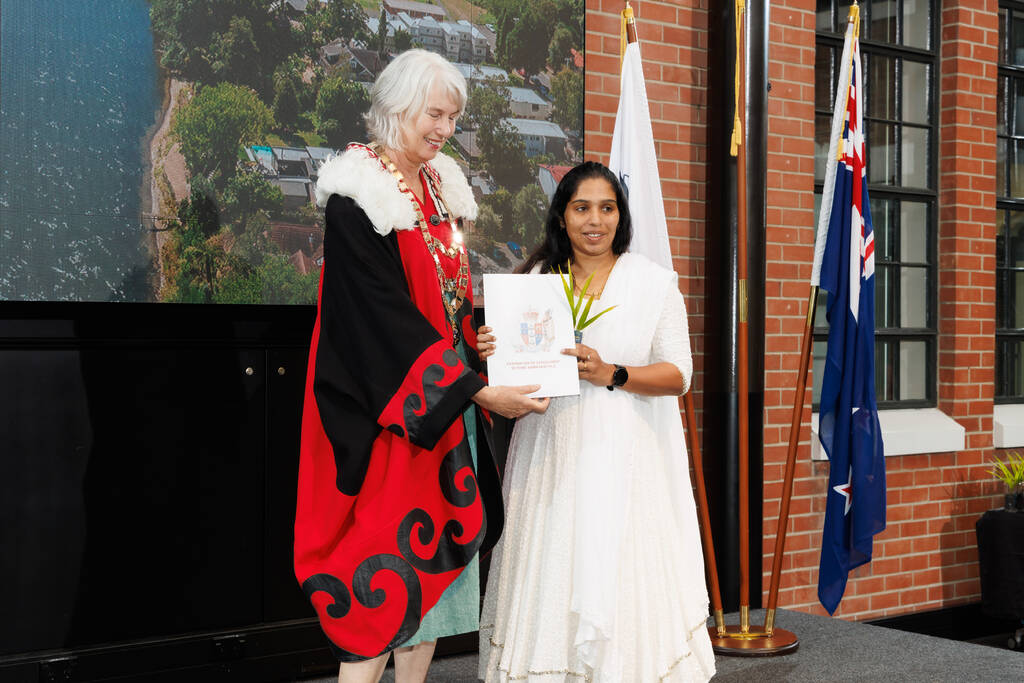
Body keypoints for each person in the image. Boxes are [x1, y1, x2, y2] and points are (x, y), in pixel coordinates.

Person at [293, 49, 549, 683]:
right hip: (388, 414)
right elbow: (378, 319)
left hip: (444, 405)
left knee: (434, 594)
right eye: (435, 114)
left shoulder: (440, 186)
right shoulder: (359, 195)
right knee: (379, 576)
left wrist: (482, 337)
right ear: (397, 106)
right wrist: (476, 392)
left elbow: (448, 293)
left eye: (453, 119)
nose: (444, 129)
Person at [477, 162, 716, 682]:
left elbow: (679, 375)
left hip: (628, 460)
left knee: (622, 578)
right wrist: (492, 352)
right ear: (562, 217)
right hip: (551, 454)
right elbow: (513, 372)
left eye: (607, 208)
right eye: (581, 207)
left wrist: (614, 372)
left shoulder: (654, 283)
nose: (594, 220)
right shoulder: (537, 283)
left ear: (621, 217)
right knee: (553, 573)